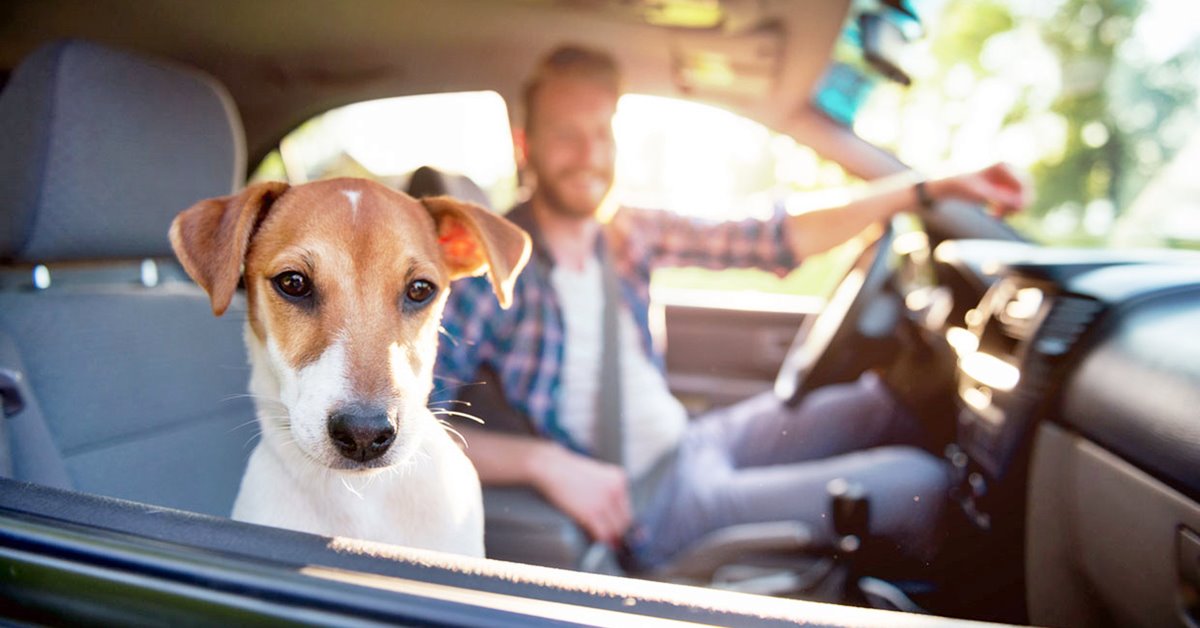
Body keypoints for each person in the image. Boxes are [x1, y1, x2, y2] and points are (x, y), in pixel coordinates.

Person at [433, 45, 1028, 570]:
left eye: (603, 132)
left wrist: (929, 189)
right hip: (653, 505)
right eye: (567, 132)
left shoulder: (626, 232)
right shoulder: (488, 271)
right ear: (525, 143)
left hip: (692, 442)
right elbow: (414, 425)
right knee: (920, 485)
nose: (590, 153)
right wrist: (543, 463)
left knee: (876, 405)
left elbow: (776, 235)